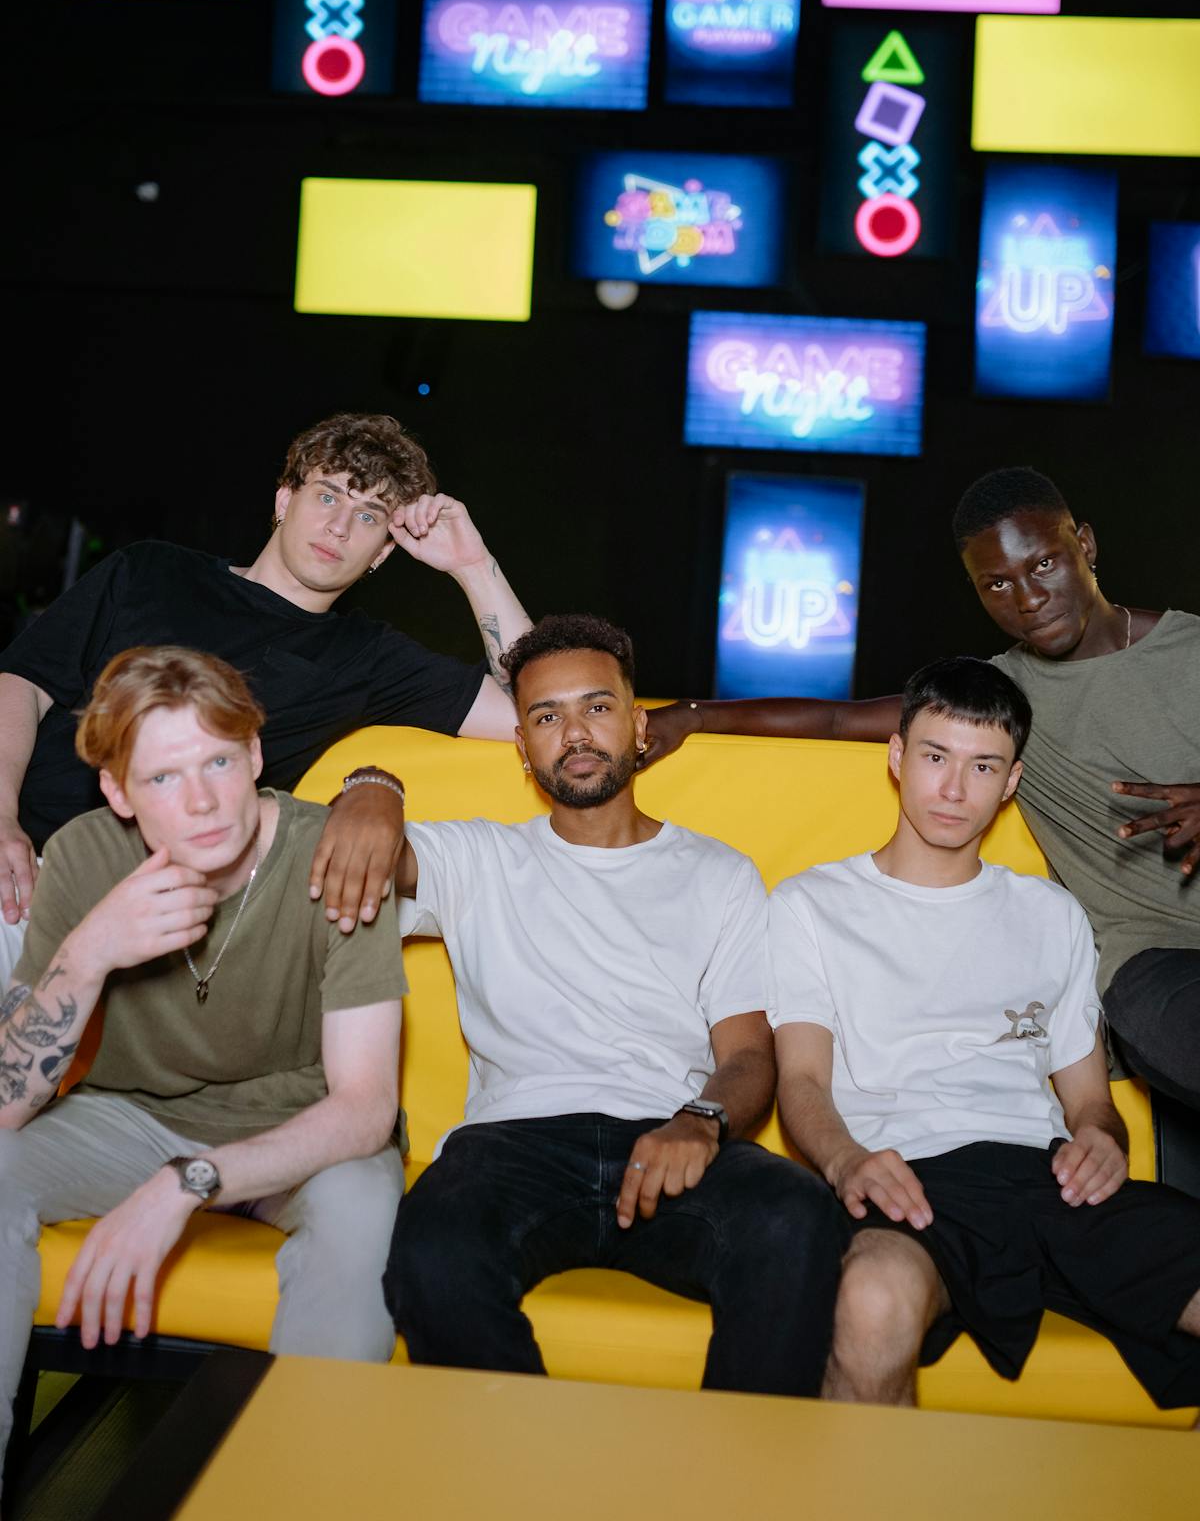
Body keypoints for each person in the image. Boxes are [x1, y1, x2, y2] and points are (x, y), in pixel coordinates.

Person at [382, 614, 845, 1396]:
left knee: (797, 1218)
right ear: (524, 748)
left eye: (596, 708)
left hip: (669, 1135)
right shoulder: (479, 856)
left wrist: (700, 1122)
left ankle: (737, 1486)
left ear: (638, 727)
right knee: (431, 1248)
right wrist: (372, 789)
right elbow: (345, 854)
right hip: (511, 1146)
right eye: (546, 716)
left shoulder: (719, 873)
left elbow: (747, 1057)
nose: (575, 733)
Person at [646, 467, 1200, 1109]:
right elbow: (837, 719)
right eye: (997, 584)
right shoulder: (1003, 700)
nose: (1027, 599)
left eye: (1045, 563)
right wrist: (693, 715)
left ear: (1087, 545)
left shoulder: (1187, 650)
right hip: (1152, 956)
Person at [0, 646, 408, 1487]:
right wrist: (89, 953)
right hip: (130, 1116)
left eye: (219, 760)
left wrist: (185, 1182)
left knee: (363, 1211)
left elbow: (365, 1108)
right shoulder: (84, 858)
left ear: (254, 755)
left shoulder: (332, 854)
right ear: (117, 793)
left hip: (308, 1127)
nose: (201, 801)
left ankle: (304, 1498)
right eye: (161, 778)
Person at [769, 656, 1200, 1413]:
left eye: (982, 767)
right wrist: (847, 1164)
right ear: (898, 758)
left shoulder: (1050, 914)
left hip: (1046, 1179)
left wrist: (1103, 1139)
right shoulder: (811, 904)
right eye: (935, 757)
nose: (954, 788)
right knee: (873, 1299)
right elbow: (800, 1080)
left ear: (1011, 782)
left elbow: (1088, 1102)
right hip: (907, 1175)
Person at [0, 411, 531, 981]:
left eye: (369, 515)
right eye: (328, 497)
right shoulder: (151, 569)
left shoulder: (366, 656)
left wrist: (474, 567)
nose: (340, 527)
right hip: (24, 863)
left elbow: (536, 709)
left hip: (157, 912)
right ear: (284, 501)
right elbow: (23, 683)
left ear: (382, 552)